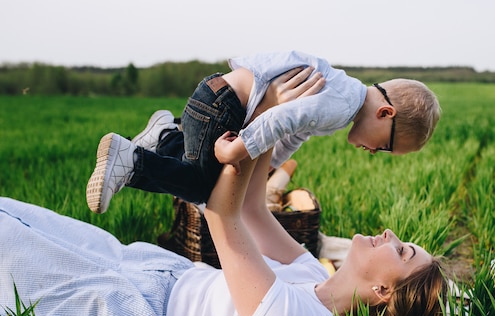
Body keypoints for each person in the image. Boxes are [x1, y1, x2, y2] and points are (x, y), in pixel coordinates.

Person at [0, 149, 447, 316]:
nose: (391, 235)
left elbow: (222, 213)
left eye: (403, 250)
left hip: (132, 312)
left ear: (384, 292)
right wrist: (276, 127)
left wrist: (241, 152)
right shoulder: (313, 275)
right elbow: (254, 210)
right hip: (152, 270)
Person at [86, 50, 441, 213]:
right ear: (385, 113)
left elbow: (294, 133)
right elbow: (278, 121)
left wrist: (271, 166)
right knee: (203, 186)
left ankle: (165, 136)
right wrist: (238, 149)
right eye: (383, 147)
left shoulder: (343, 92)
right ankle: (131, 162)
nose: (373, 152)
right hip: (223, 107)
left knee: (200, 169)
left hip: (214, 97)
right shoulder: (340, 107)